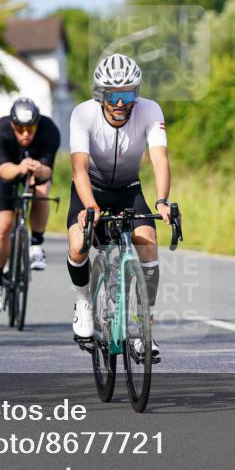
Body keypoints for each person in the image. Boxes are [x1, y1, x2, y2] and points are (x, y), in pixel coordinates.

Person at [67, 53, 172, 361]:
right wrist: (89, 205)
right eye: (111, 95)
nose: (118, 102)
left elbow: (159, 159)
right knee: (77, 246)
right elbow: (78, 167)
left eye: (126, 94)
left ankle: (144, 327)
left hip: (128, 189)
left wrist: (162, 201)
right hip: (91, 189)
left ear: (135, 94)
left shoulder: (150, 110)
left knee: (148, 243)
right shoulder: (82, 114)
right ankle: (84, 304)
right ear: (99, 94)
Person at [0, 97, 61, 312]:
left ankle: (36, 244)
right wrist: (20, 168)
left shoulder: (49, 130)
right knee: (3, 226)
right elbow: (3, 171)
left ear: (37, 124)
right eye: (20, 128)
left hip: (36, 172)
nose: (25, 133)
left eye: (30, 128)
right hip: (7, 170)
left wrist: (38, 170)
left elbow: (48, 172)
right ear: (12, 124)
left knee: (40, 191)